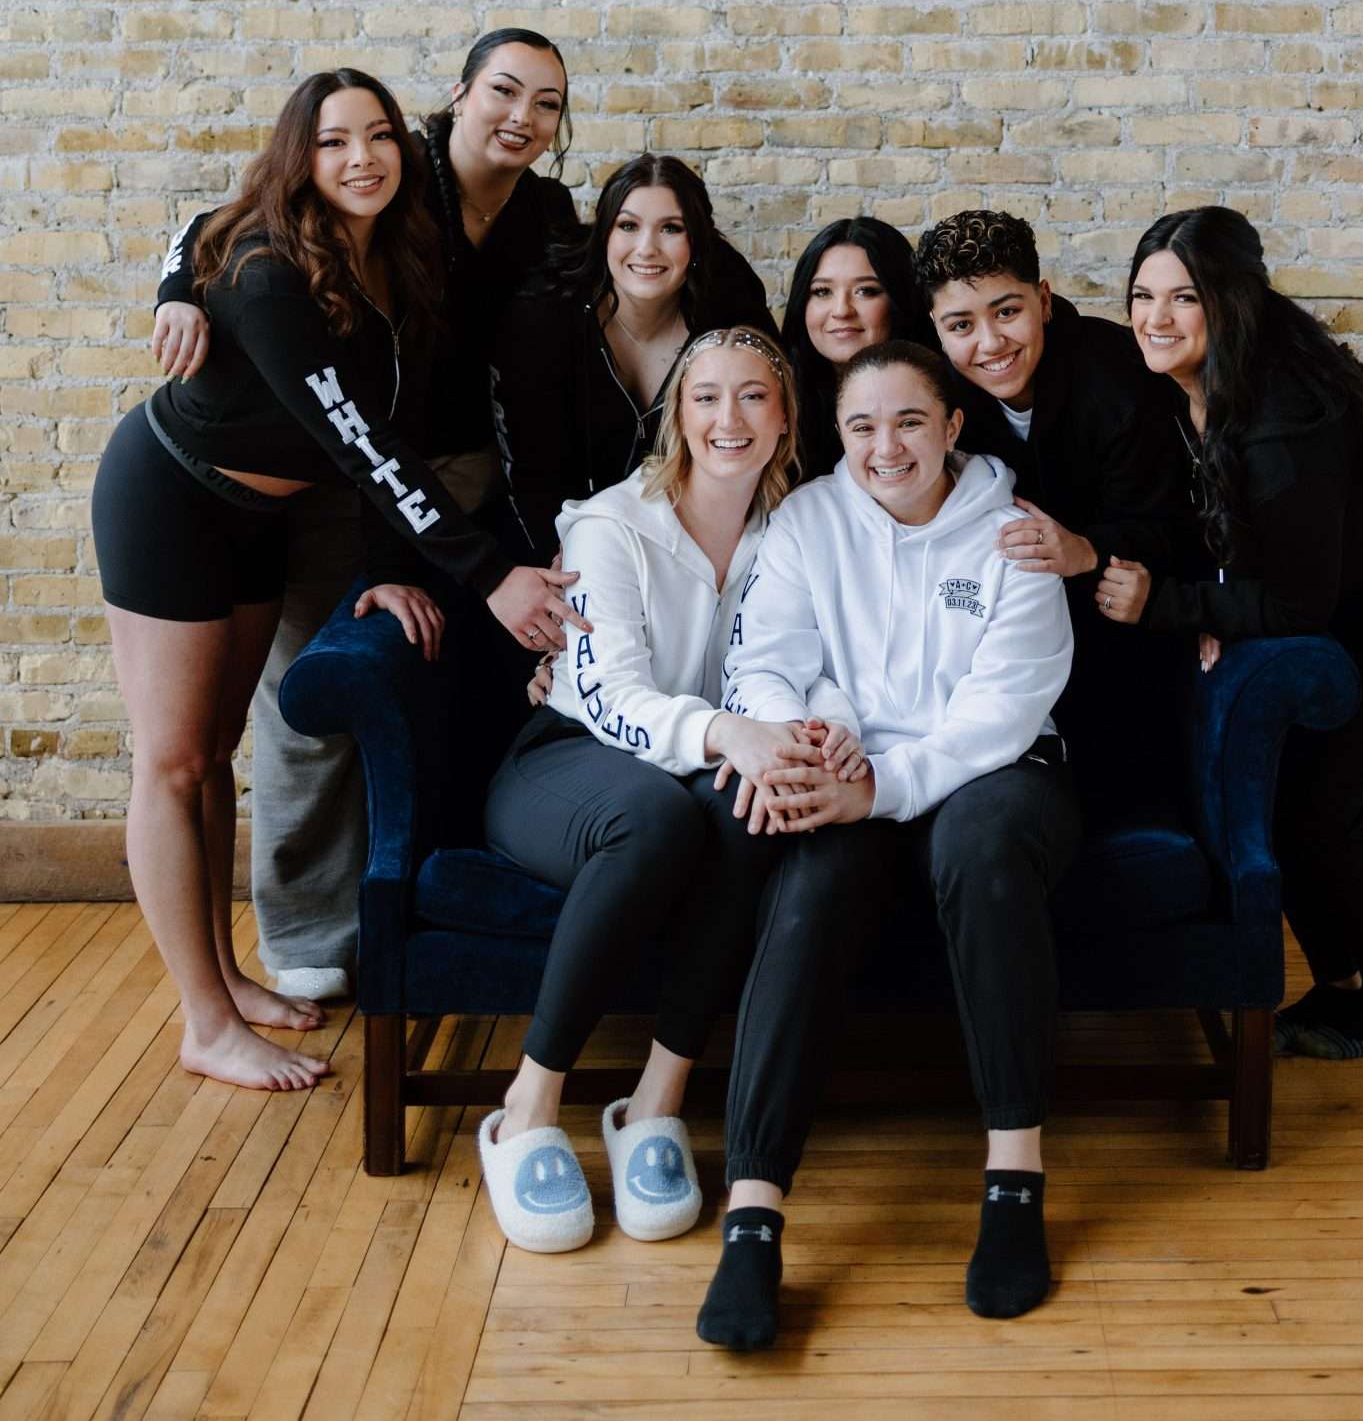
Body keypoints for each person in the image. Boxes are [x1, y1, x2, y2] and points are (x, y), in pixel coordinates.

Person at [93, 69, 582, 1092]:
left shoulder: (390, 252)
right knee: (173, 762)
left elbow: (391, 423)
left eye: (379, 137)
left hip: (259, 518)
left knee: (218, 751)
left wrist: (399, 566)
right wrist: (487, 574)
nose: (361, 157)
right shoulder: (271, 269)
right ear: (298, 159)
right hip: (173, 497)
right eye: (333, 142)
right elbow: (363, 443)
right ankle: (202, 1018)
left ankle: (226, 977)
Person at [697, 339, 1077, 1351]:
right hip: (855, 770)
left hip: (996, 773)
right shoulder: (810, 519)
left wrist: (886, 788)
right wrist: (808, 737)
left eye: (910, 420)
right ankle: (752, 1218)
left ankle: (1013, 1184)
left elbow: (1005, 706)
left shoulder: (1011, 532)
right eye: (862, 425)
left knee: (981, 855)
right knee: (814, 884)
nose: (884, 446)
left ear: (954, 425)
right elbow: (768, 658)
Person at [479, 327, 863, 1251]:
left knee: (748, 806)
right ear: (676, 417)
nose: (727, 418)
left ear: (785, 418)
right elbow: (609, 695)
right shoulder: (613, 524)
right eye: (706, 398)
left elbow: (826, 657)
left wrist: (826, 727)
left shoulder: (803, 525)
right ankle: (527, 1110)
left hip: (698, 768)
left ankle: (655, 1102)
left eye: (752, 398)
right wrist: (729, 730)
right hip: (568, 759)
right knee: (655, 818)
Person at [1114, 205, 1363, 1061]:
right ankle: (1340, 985)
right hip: (1332, 574)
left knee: (1326, 798)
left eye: (1183, 298)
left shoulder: (1282, 424)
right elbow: (1234, 540)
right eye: (1142, 295)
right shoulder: (1180, 385)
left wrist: (1178, 607)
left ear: (1230, 303)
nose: (1154, 318)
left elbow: (1293, 607)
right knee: (1290, 792)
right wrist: (1215, 599)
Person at [912, 207, 1190, 779]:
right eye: (960, 325)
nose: (990, 343)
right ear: (937, 328)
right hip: (989, 626)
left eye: (1007, 312)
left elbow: (1176, 528)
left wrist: (1083, 550)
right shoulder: (939, 393)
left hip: (1114, 635)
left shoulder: (1120, 380)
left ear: (1042, 300)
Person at [491, 153, 772, 555]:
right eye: (628, 226)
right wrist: (560, 554)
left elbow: (765, 421)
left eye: (671, 229)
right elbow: (528, 466)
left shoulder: (727, 306)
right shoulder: (545, 314)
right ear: (604, 233)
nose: (647, 248)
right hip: (560, 538)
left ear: (695, 240)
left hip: (691, 539)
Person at [777, 216, 930, 479]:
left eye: (866, 291)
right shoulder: (776, 402)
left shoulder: (944, 394)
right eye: (823, 292)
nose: (841, 311)